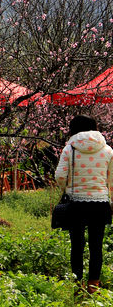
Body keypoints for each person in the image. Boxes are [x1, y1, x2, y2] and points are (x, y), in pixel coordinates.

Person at [54, 115, 113, 293]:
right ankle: (93, 286)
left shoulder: (69, 149)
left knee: (77, 245)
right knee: (96, 246)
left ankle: (77, 285)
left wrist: (67, 188)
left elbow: (60, 176)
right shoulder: (108, 150)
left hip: (76, 202)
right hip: (100, 203)